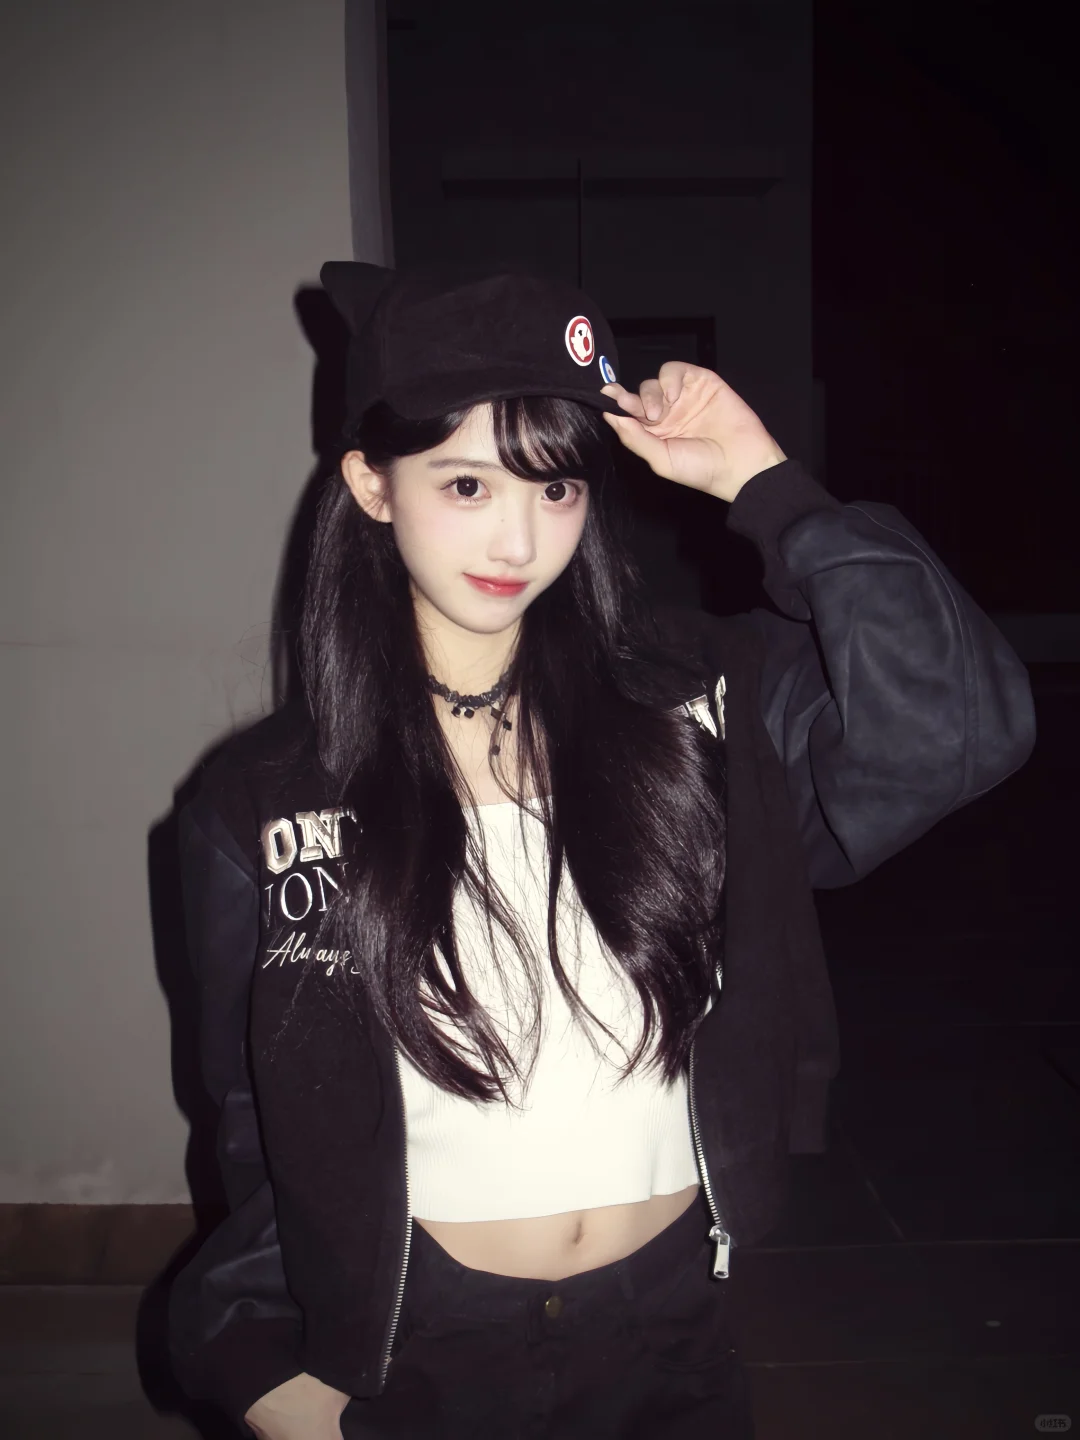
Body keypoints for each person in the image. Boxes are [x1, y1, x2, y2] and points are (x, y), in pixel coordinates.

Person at [167, 263, 1035, 1439]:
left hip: (669, 1331)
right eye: (466, 483)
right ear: (373, 485)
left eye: (557, 485)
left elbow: (957, 731)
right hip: (425, 1343)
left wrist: (770, 487)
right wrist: (270, 1369)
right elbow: (255, 1110)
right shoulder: (266, 801)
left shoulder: (691, 710)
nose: (519, 537)